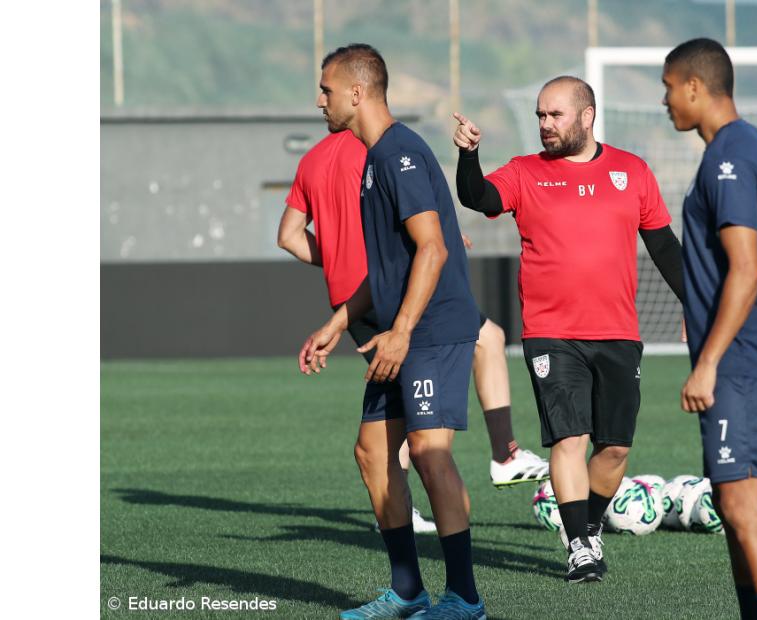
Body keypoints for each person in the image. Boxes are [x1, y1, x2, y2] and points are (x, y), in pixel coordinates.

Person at [451, 76, 685, 583]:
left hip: (619, 332)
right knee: (569, 437)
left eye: (554, 115)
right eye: (540, 116)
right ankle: (580, 545)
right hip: (551, 332)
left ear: (586, 115)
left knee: (616, 447)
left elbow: (665, 246)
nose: (544, 125)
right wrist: (469, 155)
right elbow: (478, 197)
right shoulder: (524, 172)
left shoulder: (633, 171)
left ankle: (589, 525)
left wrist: (697, 304)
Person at [299, 44, 485, 620]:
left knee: (429, 452)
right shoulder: (372, 160)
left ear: (357, 93)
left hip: (430, 329)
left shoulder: (400, 154)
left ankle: (465, 599)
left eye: (326, 89)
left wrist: (401, 331)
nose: (319, 100)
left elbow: (432, 248)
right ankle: (408, 591)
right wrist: (338, 322)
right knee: (372, 453)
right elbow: (388, 269)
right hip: (399, 329)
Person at [277, 129, 549, 511]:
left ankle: (398, 509)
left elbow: (289, 236)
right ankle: (505, 455)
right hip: (392, 286)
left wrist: (341, 259)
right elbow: (414, 217)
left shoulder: (311, 160)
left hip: (348, 299)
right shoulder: (384, 148)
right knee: (486, 339)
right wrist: (439, 240)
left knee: (396, 402)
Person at [662, 38, 757, 620]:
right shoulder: (740, 146)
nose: (665, 100)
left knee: (743, 510)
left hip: (740, 363)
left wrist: (709, 362)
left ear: (695, 86)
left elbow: (747, 268)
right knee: (736, 504)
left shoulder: (730, 156)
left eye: (668, 87)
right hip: (750, 359)